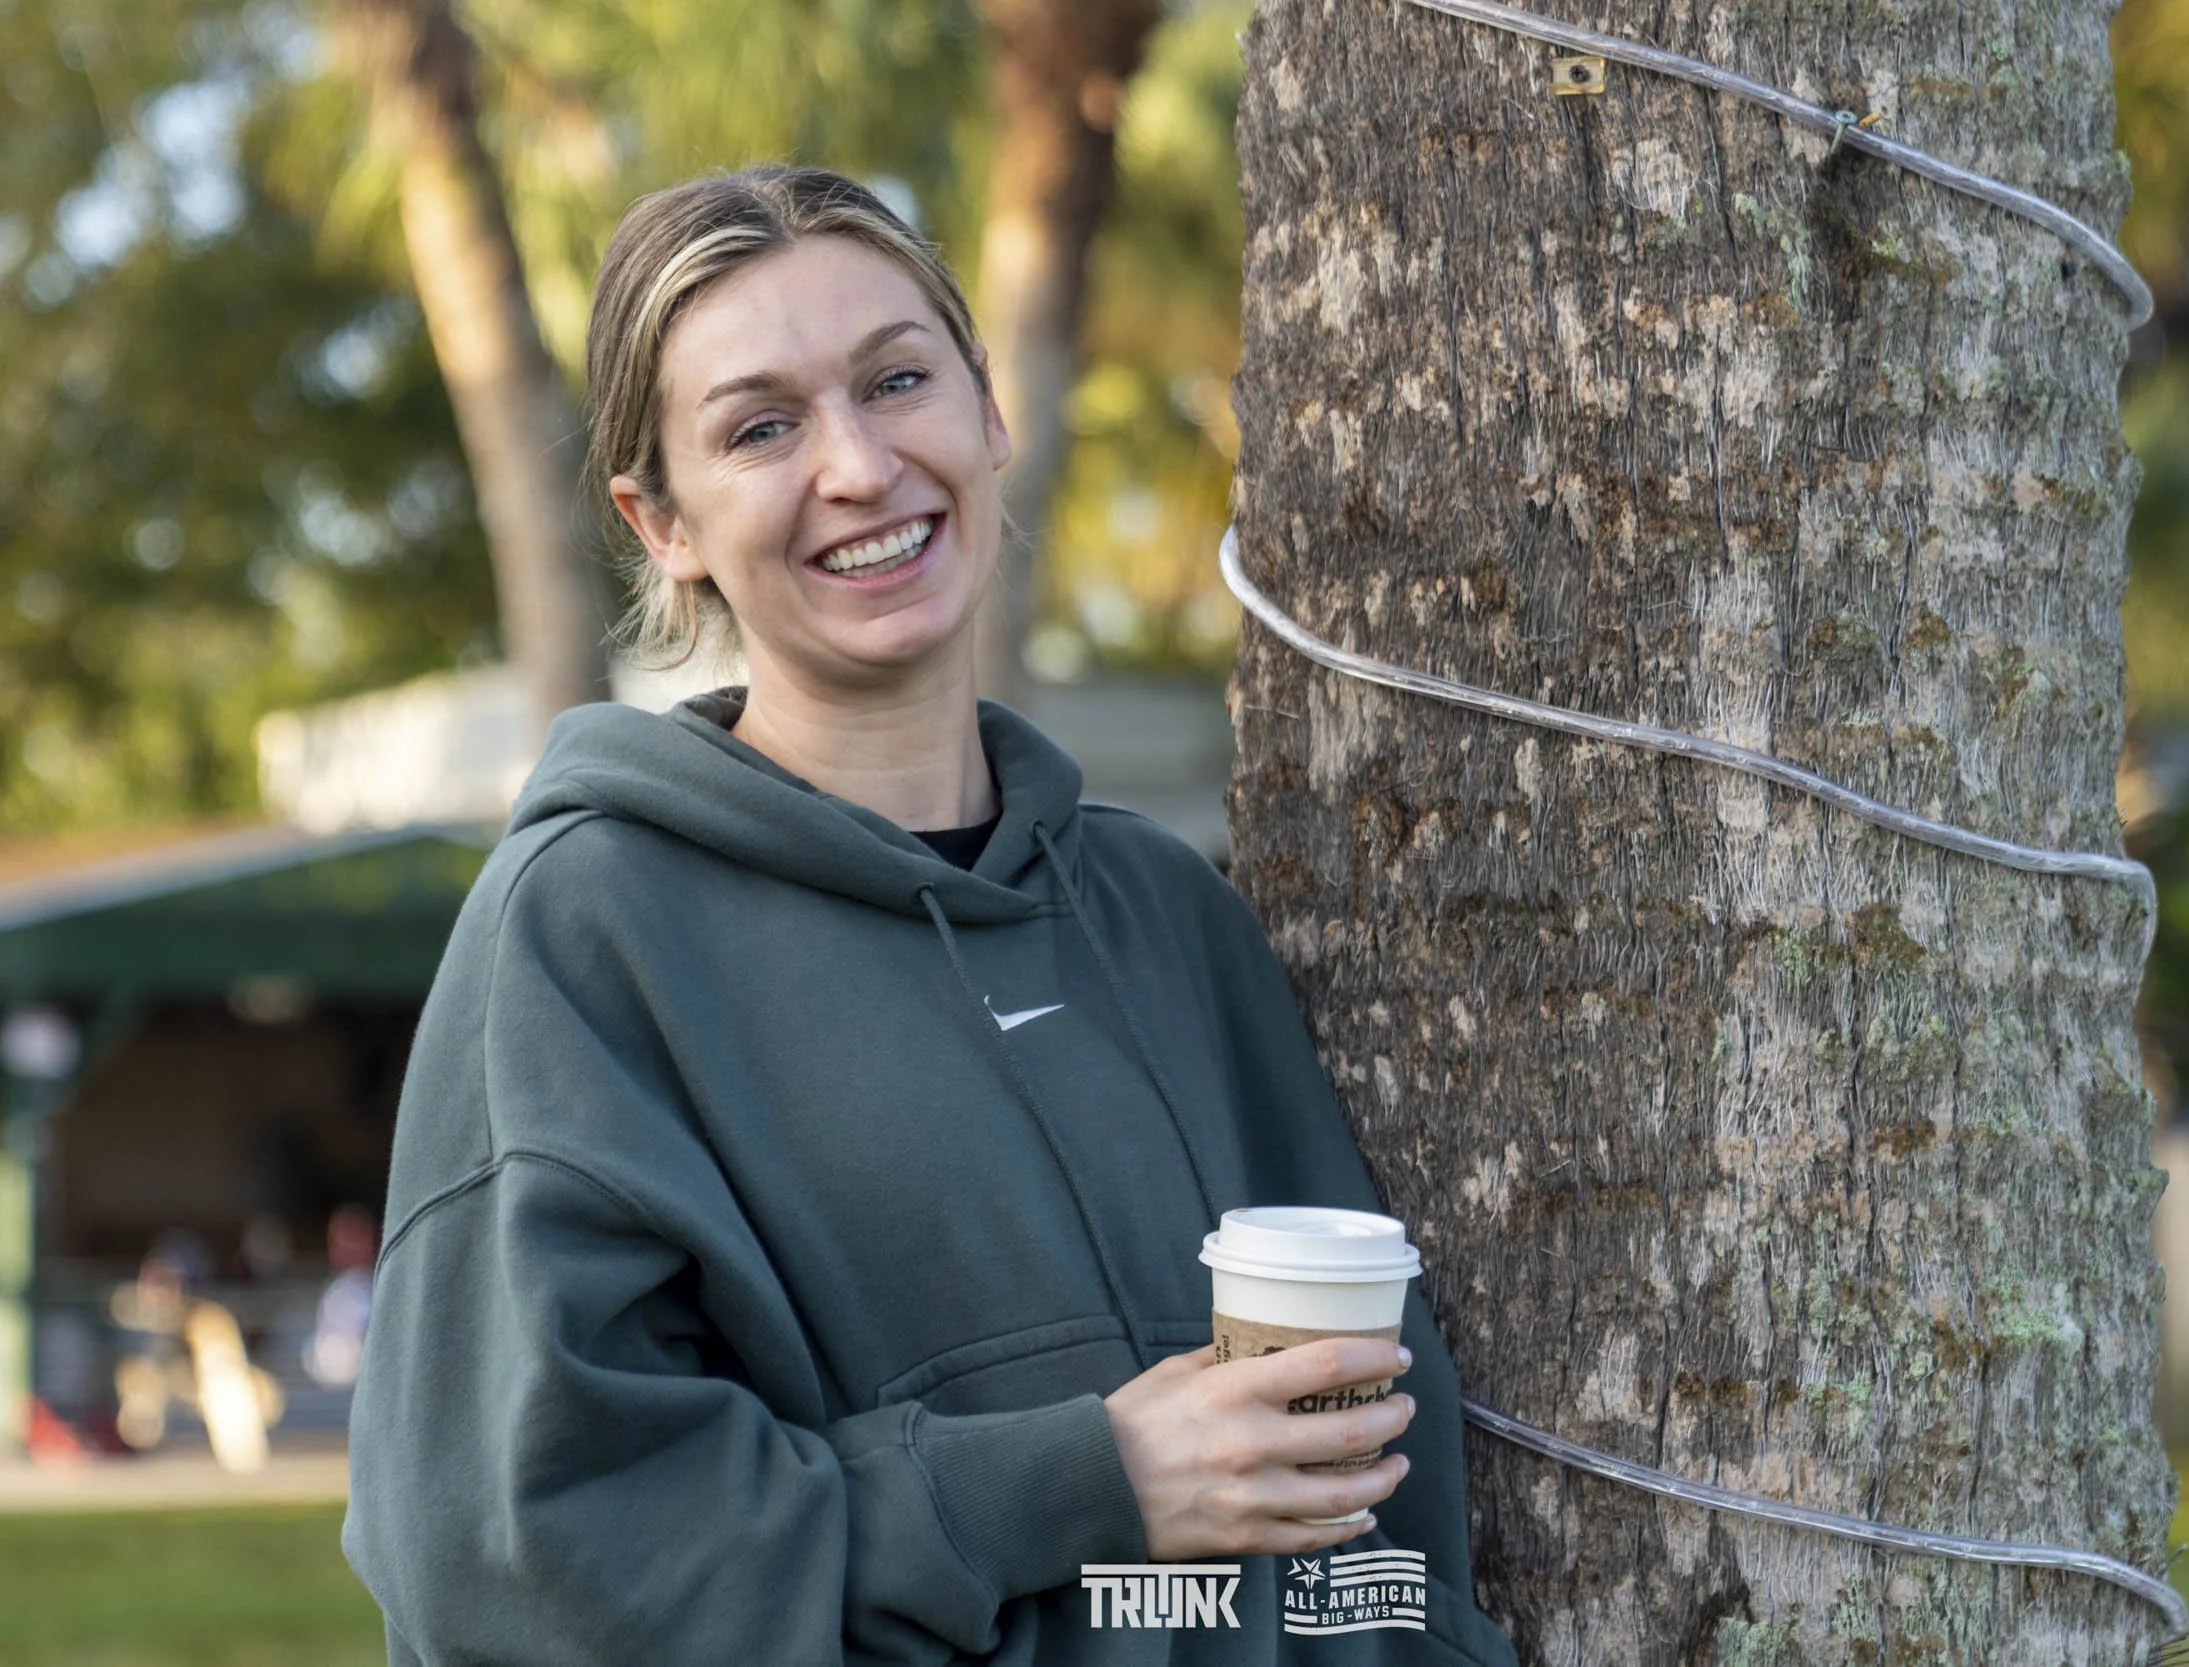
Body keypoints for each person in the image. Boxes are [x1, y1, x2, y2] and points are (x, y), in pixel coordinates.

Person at [343, 164, 1518, 1666]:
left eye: (898, 380)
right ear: (664, 523)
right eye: (761, 427)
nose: (856, 464)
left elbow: (1382, 1494)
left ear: (989, 412)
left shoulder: (1167, 913)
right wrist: (1078, 1482)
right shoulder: (585, 933)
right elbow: (517, 1559)